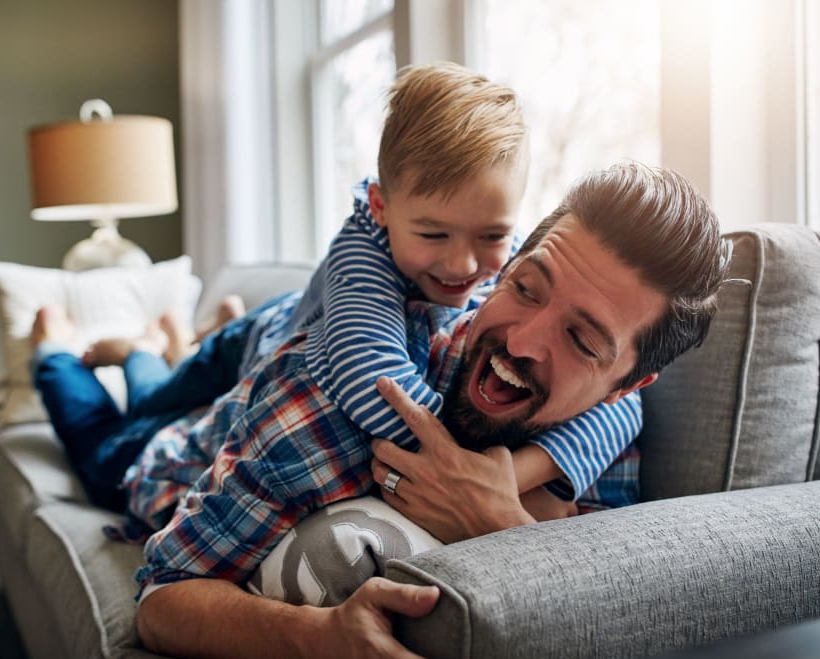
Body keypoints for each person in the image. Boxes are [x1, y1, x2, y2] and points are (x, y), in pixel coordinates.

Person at [134, 162, 731, 659]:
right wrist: (315, 639)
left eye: (581, 340)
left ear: (626, 386)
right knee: (133, 405)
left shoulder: (608, 444)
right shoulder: (334, 396)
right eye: (525, 288)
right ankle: (131, 353)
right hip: (178, 447)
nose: (521, 342)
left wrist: (503, 525)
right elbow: (162, 600)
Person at [32, 62, 640, 538]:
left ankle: (158, 343)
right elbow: (372, 383)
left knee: (160, 417)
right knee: (143, 421)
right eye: (432, 235)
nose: (463, 265)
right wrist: (472, 470)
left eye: (492, 237)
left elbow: (624, 406)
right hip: (255, 345)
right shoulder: (363, 249)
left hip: (257, 365)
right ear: (380, 207)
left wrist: (516, 476)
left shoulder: (524, 277)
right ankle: (62, 351)